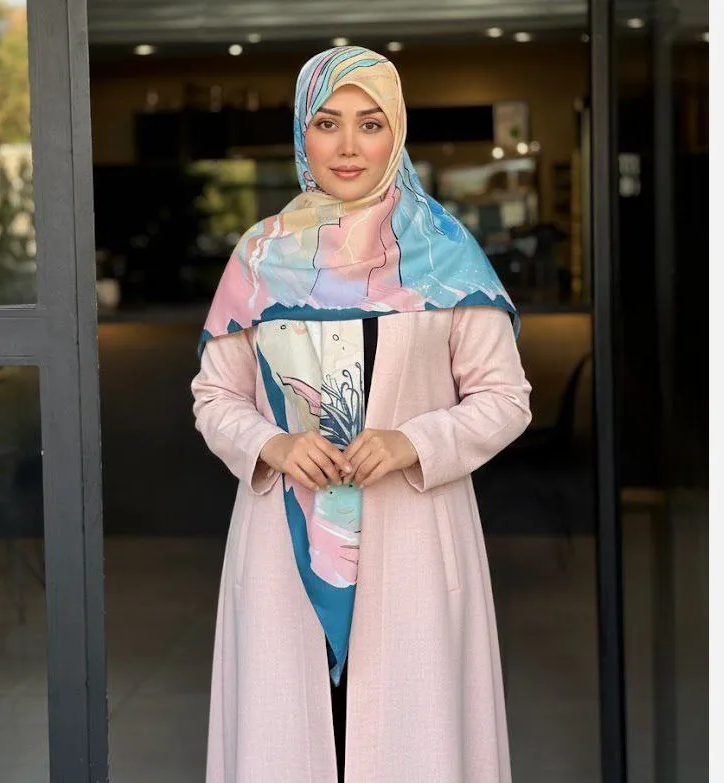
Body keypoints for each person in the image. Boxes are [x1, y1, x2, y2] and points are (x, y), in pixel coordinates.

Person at [191, 45, 532, 783]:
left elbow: (505, 398)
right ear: (301, 134)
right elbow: (215, 395)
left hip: (413, 546)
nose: (348, 145)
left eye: (370, 123)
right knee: (291, 738)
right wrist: (273, 444)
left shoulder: (445, 255)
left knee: (410, 740)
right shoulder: (259, 258)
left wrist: (414, 441)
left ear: (396, 132)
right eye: (327, 122)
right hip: (285, 551)